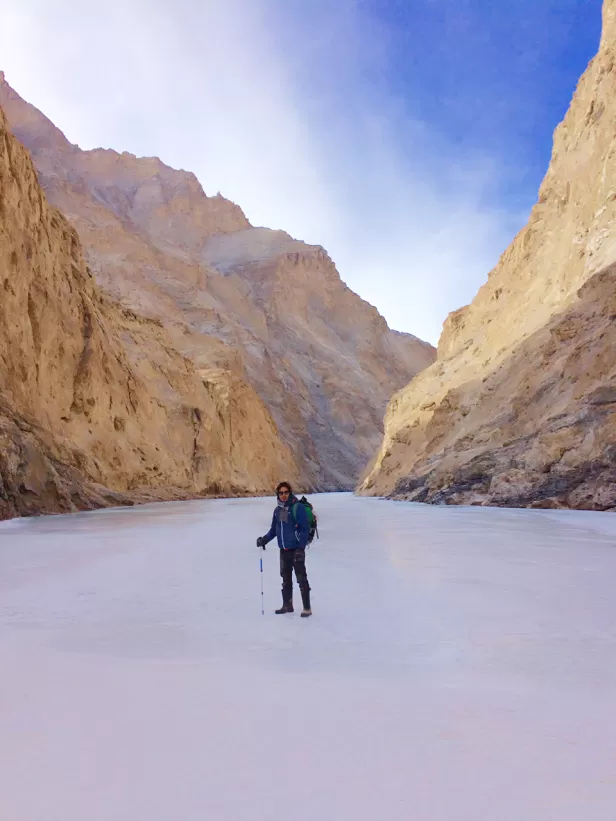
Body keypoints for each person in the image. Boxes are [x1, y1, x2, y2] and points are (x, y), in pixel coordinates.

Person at [257, 482, 312, 617]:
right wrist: (264, 540)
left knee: (301, 578)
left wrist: (301, 548)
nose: (283, 495)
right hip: (284, 550)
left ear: (290, 492)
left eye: (286, 492)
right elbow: (274, 530)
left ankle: (307, 608)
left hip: (296, 549)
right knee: (285, 579)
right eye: (281, 493)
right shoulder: (277, 510)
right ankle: (287, 605)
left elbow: (305, 530)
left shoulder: (297, 508)